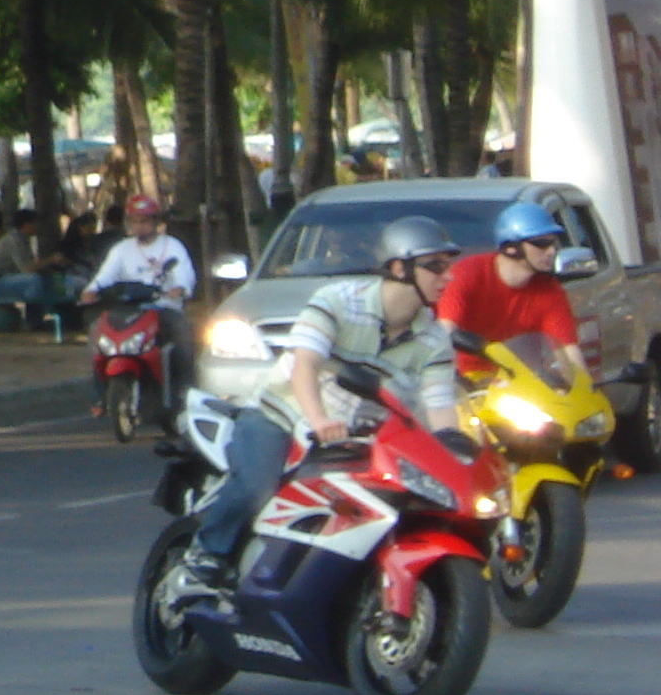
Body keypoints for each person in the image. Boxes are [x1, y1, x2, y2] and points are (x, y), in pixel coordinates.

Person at [182, 215, 462, 594]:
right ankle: (204, 557)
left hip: (356, 439)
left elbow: (441, 409)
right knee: (257, 487)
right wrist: (318, 419)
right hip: (282, 415)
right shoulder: (338, 301)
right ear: (399, 268)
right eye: (436, 267)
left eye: (450, 266)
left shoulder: (433, 340)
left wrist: (453, 454)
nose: (447, 277)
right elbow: (305, 364)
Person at [79, 192, 196, 420]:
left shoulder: (172, 246)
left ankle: (184, 392)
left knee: (182, 333)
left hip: (163, 309)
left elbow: (185, 275)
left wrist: (180, 289)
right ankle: (101, 395)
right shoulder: (121, 249)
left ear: (155, 221)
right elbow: (105, 276)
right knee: (97, 334)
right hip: (128, 310)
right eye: (134, 221)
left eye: (144, 220)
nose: (139, 226)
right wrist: (91, 290)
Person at [436, 201, 579, 380]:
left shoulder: (550, 291)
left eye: (553, 244)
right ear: (512, 248)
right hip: (466, 385)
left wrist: (580, 390)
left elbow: (569, 353)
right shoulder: (466, 274)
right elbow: (445, 333)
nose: (551, 251)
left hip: (522, 383)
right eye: (541, 244)